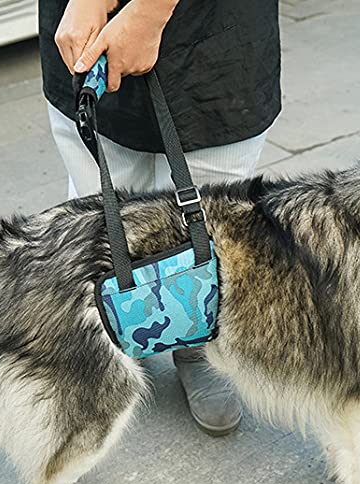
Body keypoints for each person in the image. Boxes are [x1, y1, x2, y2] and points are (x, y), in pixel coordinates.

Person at [38, 0, 281, 436]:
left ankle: (198, 342)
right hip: (85, 18)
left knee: (209, 214)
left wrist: (150, 13)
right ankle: (104, 326)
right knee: (101, 209)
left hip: (214, 31)